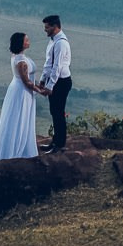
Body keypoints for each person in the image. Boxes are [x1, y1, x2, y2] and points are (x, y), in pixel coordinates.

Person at [0, 31, 42, 161]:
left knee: (16, 117)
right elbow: (27, 82)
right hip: (21, 92)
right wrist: (40, 90)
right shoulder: (21, 61)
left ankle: (17, 146)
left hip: (18, 89)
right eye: (26, 40)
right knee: (20, 117)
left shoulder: (17, 56)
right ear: (21, 43)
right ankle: (17, 148)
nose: (29, 42)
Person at [38, 14, 73, 153]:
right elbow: (48, 62)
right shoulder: (53, 41)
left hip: (61, 82)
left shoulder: (61, 43)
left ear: (55, 26)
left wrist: (50, 86)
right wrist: (43, 79)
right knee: (54, 112)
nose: (45, 30)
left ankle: (60, 144)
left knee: (58, 113)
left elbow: (57, 66)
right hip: (55, 81)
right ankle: (55, 141)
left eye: (47, 27)